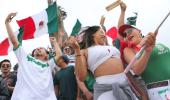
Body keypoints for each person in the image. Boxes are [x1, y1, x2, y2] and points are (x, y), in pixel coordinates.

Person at [69, 25, 155, 100]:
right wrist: (77, 49)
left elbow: (126, 71)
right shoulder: (83, 51)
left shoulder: (110, 47)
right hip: (106, 90)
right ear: (92, 34)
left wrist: (141, 91)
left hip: (125, 87)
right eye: (101, 32)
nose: (104, 35)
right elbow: (81, 77)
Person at [118, 2, 170, 100]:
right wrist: (147, 51)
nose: (127, 34)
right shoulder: (128, 50)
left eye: (129, 30)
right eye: (124, 35)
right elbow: (137, 70)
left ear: (139, 31)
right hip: (161, 92)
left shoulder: (159, 44)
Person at [5, 12, 61, 100]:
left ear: (47, 55)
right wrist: (7, 23)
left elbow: (59, 55)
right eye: (36, 49)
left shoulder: (48, 64)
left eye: (41, 48)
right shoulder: (25, 58)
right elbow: (14, 41)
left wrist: (55, 42)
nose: (38, 49)